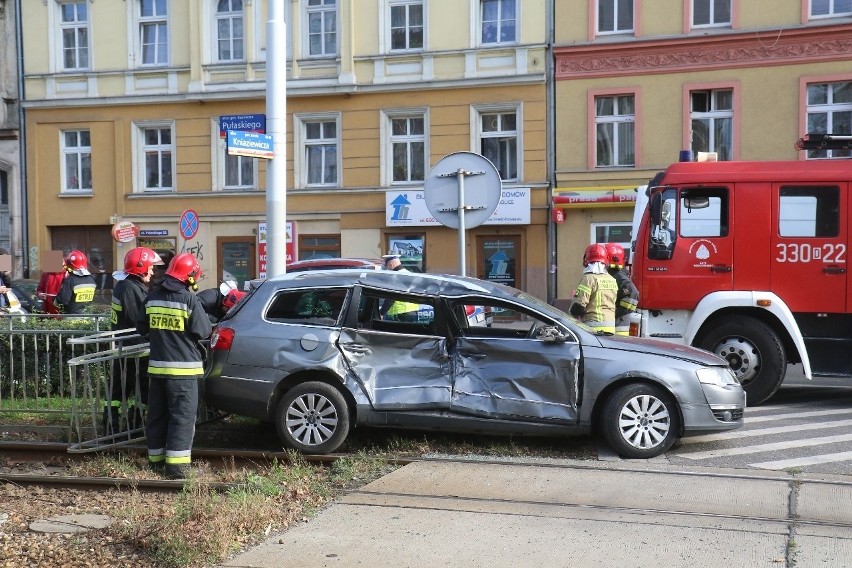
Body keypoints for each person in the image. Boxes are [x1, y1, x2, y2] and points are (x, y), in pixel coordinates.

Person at [137, 253, 212, 479]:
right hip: (184, 372)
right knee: (182, 418)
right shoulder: (188, 300)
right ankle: (178, 468)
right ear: (189, 277)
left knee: (157, 416)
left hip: (158, 370)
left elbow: (142, 327)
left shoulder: (152, 297)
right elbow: (203, 331)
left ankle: (156, 461)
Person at [104, 246, 164, 434]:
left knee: (120, 391)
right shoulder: (130, 289)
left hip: (127, 347)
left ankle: (117, 425)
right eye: (151, 267)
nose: (153, 271)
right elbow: (136, 319)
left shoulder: (127, 285)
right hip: (135, 350)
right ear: (140, 267)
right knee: (140, 391)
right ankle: (130, 426)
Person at [569, 243, 618, 334]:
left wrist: (571, 313)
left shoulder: (588, 279)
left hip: (593, 327)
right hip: (611, 327)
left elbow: (579, 305)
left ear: (586, 260)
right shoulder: (612, 279)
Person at [604, 243, 639, 336]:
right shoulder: (614, 275)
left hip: (618, 327)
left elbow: (633, 293)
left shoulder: (618, 276)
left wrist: (616, 313)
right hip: (617, 326)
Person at [55, 250, 97, 314]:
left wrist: (54, 299)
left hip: (72, 317)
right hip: (88, 316)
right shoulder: (91, 280)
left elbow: (62, 301)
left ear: (70, 264)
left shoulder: (70, 280)